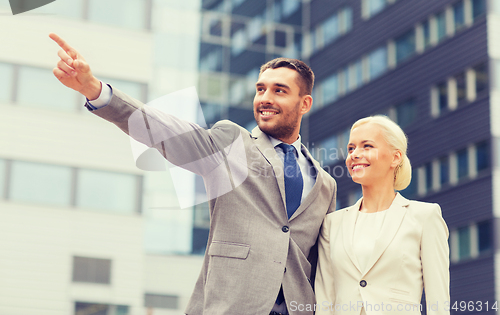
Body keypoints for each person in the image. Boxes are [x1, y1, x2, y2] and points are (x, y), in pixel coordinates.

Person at [49, 33, 337, 315]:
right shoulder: (231, 142)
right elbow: (165, 130)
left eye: (279, 91)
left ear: (305, 104)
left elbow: (325, 264)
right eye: (261, 89)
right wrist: (96, 91)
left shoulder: (325, 184)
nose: (265, 98)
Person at [315, 115, 450, 315]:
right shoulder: (332, 224)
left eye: (367, 146)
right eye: (351, 148)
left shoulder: (425, 217)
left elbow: (438, 302)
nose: (355, 154)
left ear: (395, 157)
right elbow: (324, 301)